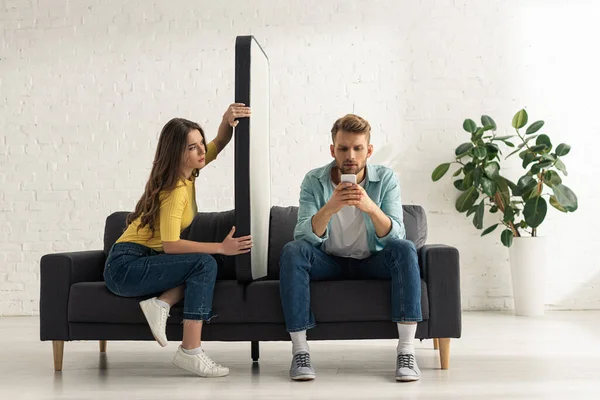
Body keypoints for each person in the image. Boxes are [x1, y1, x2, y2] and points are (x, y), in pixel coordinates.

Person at [103, 104, 253, 377]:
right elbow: (171, 245)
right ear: (177, 154)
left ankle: (162, 304)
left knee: (201, 267)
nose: (201, 151)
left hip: (143, 259)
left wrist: (226, 120)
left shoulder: (188, 173)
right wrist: (221, 247)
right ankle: (190, 351)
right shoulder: (175, 190)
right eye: (192, 147)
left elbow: (219, 142)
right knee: (205, 264)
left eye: (200, 144)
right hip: (125, 266)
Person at [279, 114, 422, 382]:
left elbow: (396, 235)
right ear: (333, 150)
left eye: (357, 148)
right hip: (329, 261)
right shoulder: (314, 181)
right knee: (292, 251)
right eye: (343, 148)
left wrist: (370, 207)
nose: (350, 156)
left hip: (372, 260)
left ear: (368, 150)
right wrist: (330, 207)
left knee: (405, 248)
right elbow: (302, 235)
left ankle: (406, 351)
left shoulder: (386, 179)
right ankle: (300, 351)